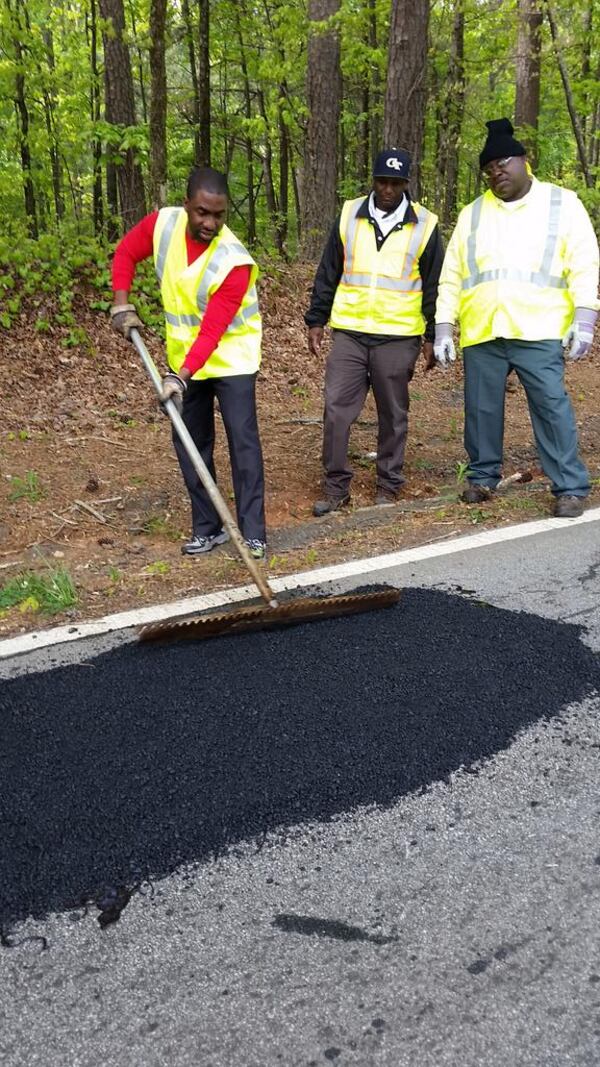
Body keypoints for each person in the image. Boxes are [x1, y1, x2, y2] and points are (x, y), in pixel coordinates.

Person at [434, 118, 599, 518]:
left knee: (550, 406)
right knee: (480, 410)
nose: (497, 172)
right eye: (488, 168)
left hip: (538, 326)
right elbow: (452, 273)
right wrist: (442, 326)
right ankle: (482, 477)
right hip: (483, 329)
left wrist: (585, 318)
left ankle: (570, 486)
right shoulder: (472, 213)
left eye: (503, 162)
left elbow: (583, 262)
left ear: (524, 160)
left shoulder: (562, 203)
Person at [110, 166, 267, 559]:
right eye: (202, 213)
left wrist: (179, 377)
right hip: (183, 358)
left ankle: (253, 534)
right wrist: (120, 300)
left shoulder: (235, 261)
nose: (210, 222)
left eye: (219, 215)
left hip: (231, 358)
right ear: (187, 206)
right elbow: (126, 252)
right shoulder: (163, 226)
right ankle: (208, 527)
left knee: (242, 443)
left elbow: (213, 331)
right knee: (189, 442)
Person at [305, 147, 443, 516]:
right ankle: (336, 488)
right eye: (382, 181)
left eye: (395, 183)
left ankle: (388, 483)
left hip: (398, 336)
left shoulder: (426, 225)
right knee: (336, 408)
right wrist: (316, 319)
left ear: (406, 183)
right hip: (350, 331)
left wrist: (432, 336)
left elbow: (434, 285)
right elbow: (328, 271)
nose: (387, 189)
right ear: (373, 180)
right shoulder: (350, 214)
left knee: (392, 412)